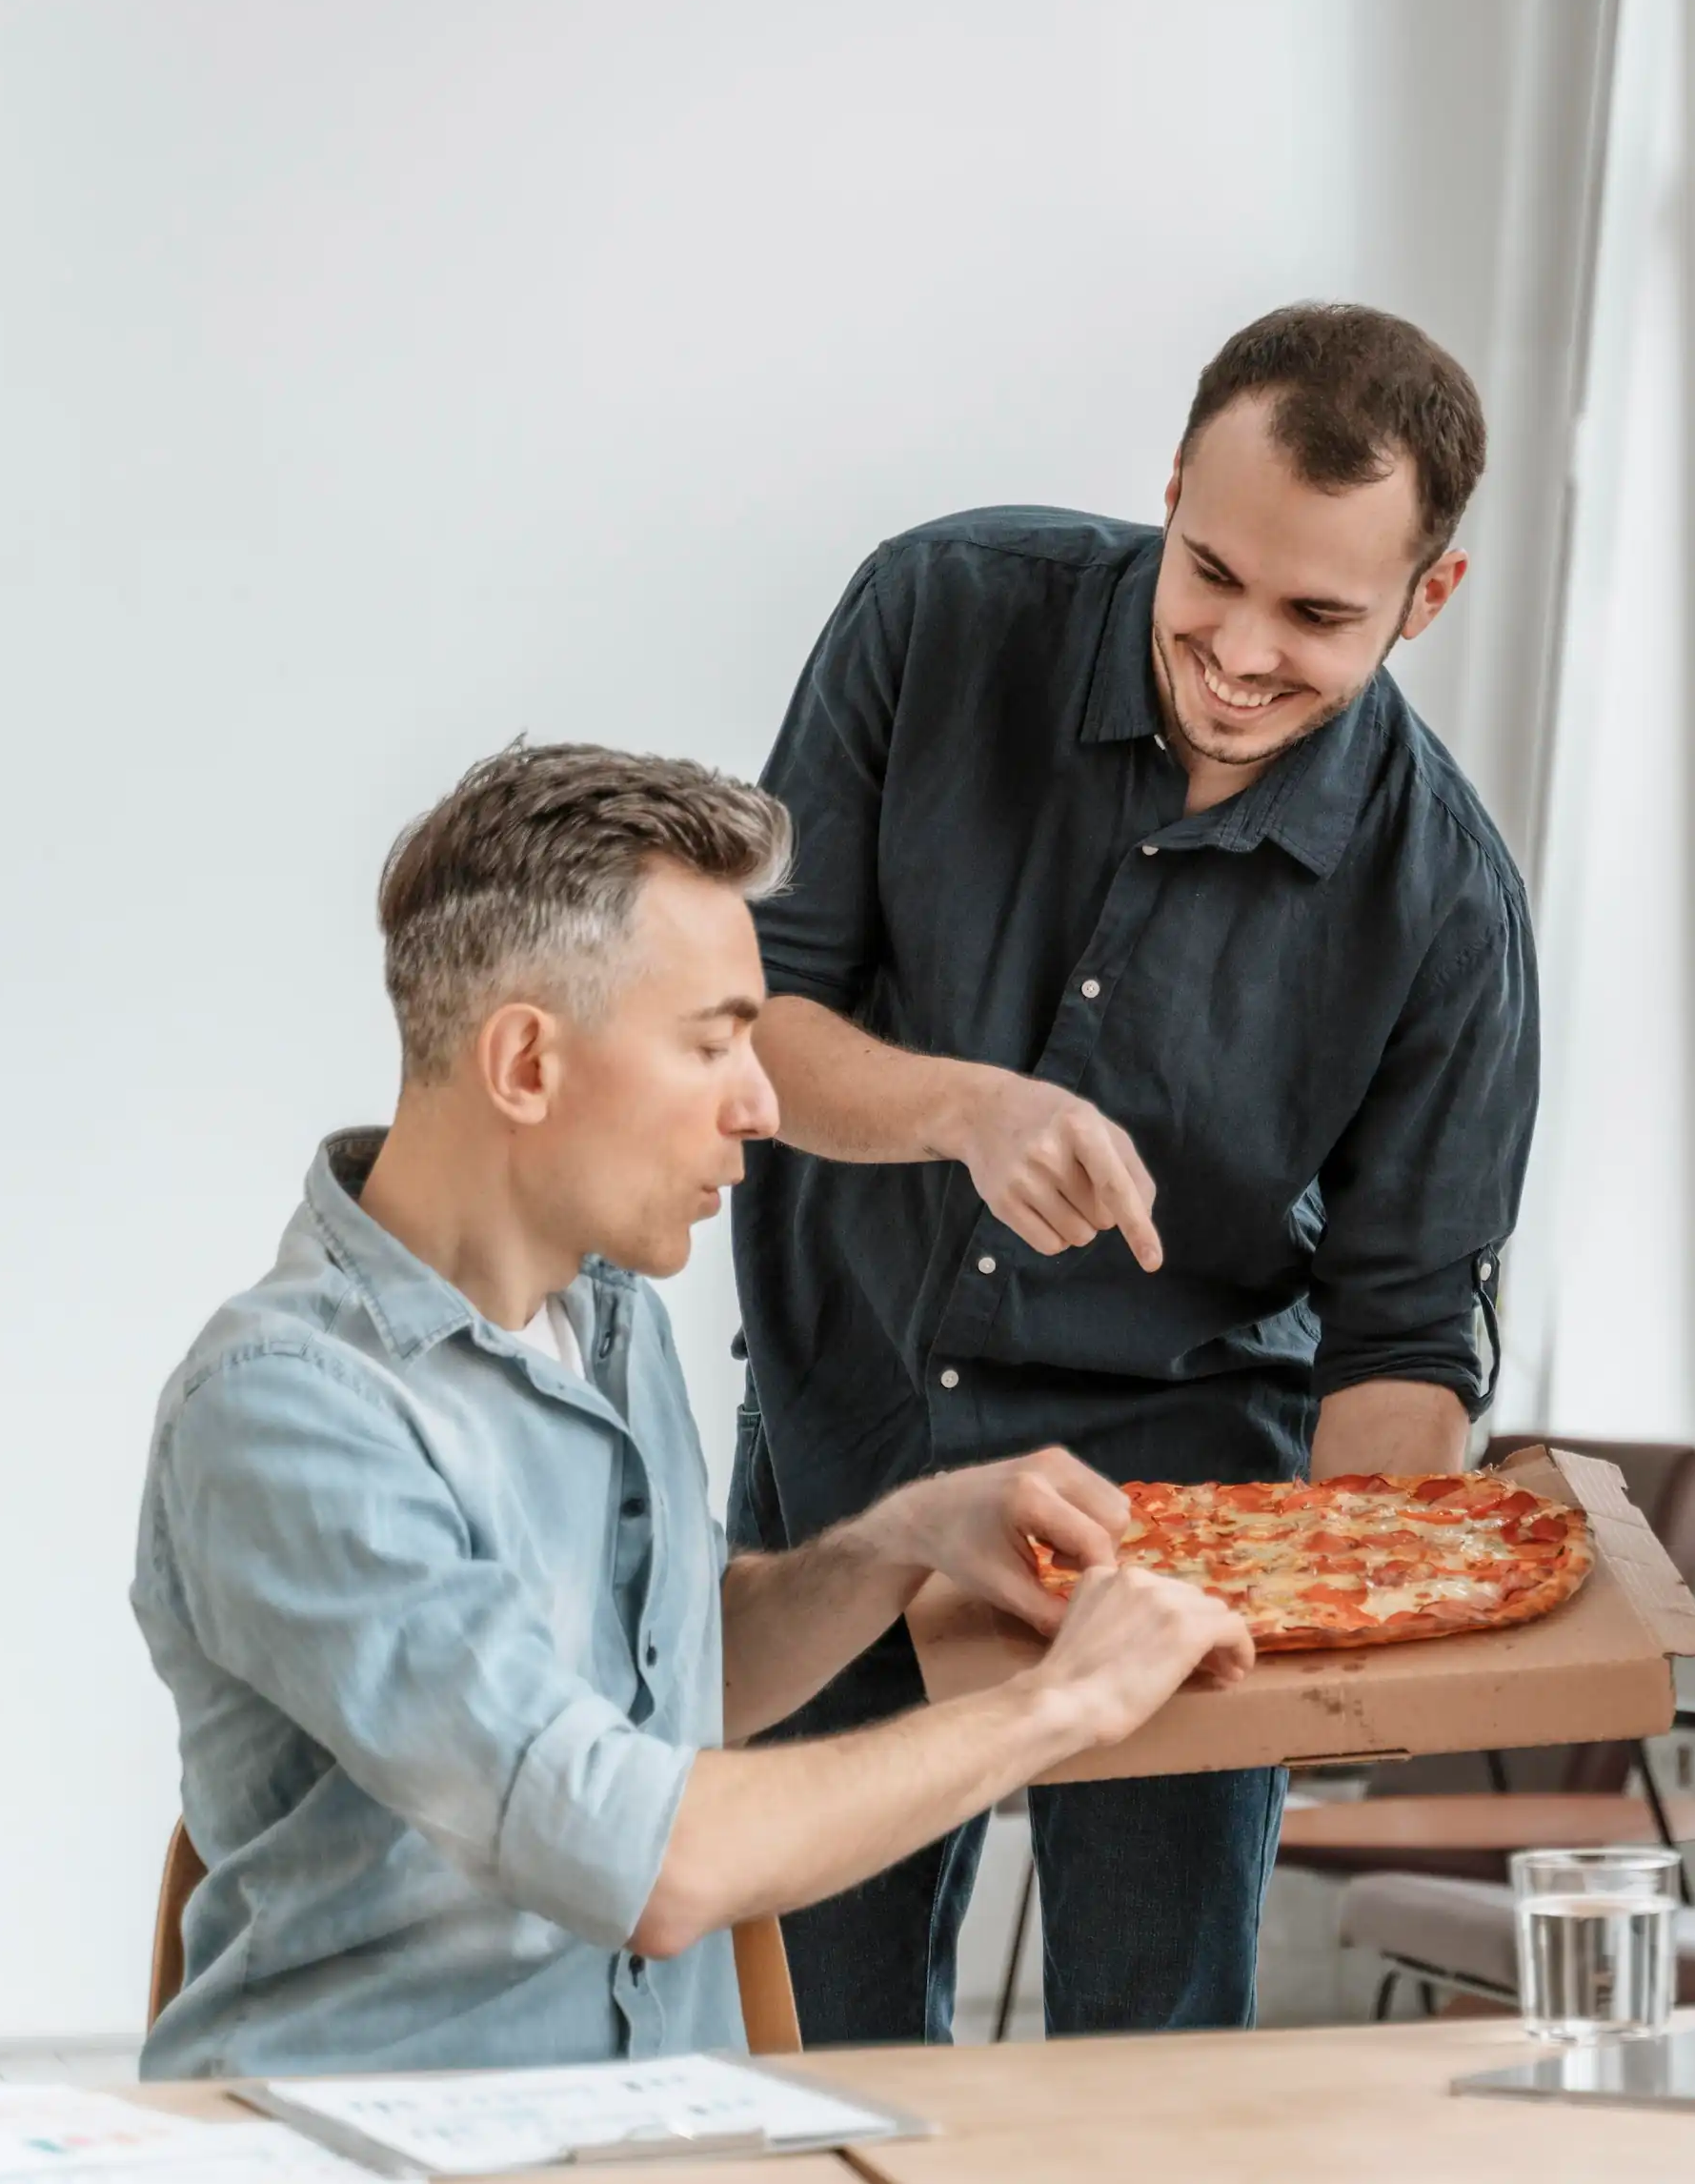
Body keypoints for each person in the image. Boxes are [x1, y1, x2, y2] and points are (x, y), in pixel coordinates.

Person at [132, 743, 1255, 2079]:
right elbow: (638, 1853)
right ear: (526, 1065)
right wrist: (1056, 1711)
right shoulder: (286, 1417)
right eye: (716, 1041)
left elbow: (662, 1688)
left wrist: (904, 1541)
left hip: (666, 2134)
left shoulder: (611, 1318)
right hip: (382, 2150)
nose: (764, 1102)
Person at [730, 302, 1539, 2041]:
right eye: (1212, 574)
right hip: (845, 1449)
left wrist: (1354, 1613)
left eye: (1321, 616)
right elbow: (750, 1025)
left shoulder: (1451, 905)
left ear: (1429, 599)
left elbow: (1401, 1342)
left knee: (1153, 2077)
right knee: (820, 2054)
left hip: (1184, 1537)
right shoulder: (935, 612)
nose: (1241, 652)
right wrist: (965, 1108)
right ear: (1172, 490)